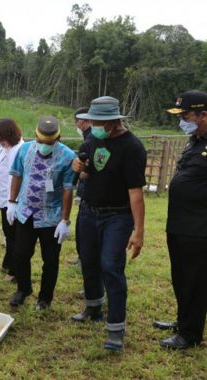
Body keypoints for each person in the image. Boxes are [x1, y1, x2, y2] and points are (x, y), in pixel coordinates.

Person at [71, 96, 146, 352]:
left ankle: (116, 328)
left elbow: (135, 192)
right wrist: (78, 166)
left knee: (111, 267)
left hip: (117, 215)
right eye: (93, 120)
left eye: (100, 121)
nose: (94, 124)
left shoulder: (132, 147)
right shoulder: (93, 139)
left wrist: (139, 230)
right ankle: (93, 307)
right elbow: (87, 172)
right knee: (88, 260)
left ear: (115, 121)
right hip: (89, 211)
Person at [154, 90, 207, 349]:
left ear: (203, 115)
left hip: (199, 228)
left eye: (186, 115)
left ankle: (191, 334)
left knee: (195, 281)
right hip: (179, 225)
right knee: (181, 277)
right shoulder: (195, 140)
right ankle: (182, 320)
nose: (182, 120)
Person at [6, 116, 75, 311]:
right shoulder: (25, 149)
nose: (44, 145)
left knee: (50, 260)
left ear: (57, 138)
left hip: (51, 217)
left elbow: (67, 190)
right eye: (41, 141)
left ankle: (45, 298)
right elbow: (17, 175)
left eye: (49, 142)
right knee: (20, 255)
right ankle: (23, 289)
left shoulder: (68, 157)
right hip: (26, 212)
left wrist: (65, 220)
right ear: (35, 136)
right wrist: (11, 202)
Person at [0, 118, 24, 282]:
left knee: (14, 238)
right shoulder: (6, 149)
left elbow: (15, 178)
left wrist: (12, 201)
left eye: (0, 138)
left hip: (14, 200)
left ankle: (14, 271)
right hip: (4, 199)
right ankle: (7, 263)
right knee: (8, 233)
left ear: (9, 135)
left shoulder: (19, 150)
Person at [69, 106, 92, 267]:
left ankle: (84, 258)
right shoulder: (87, 137)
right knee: (80, 225)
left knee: (84, 227)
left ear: (83, 121)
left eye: (77, 121)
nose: (76, 125)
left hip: (90, 190)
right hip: (85, 189)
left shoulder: (91, 139)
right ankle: (81, 256)